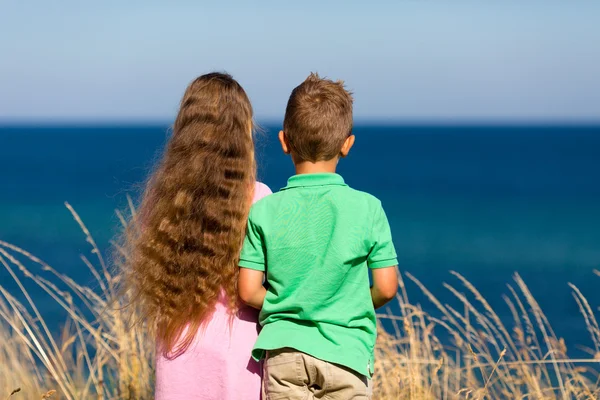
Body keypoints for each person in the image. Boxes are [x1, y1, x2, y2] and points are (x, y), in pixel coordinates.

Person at [237, 73, 399, 399]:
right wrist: (344, 306)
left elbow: (248, 290)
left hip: (284, 354)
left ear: (284, 142)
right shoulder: (369, 209)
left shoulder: (263, 211)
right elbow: (385, 287)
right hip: (348, 355)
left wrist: (291, 304)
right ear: (347, 144)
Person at [125, 72, 271, 400]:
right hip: (238, 364)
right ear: (242, 134)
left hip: (176, 357)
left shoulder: (161, 202)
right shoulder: (259, 199)